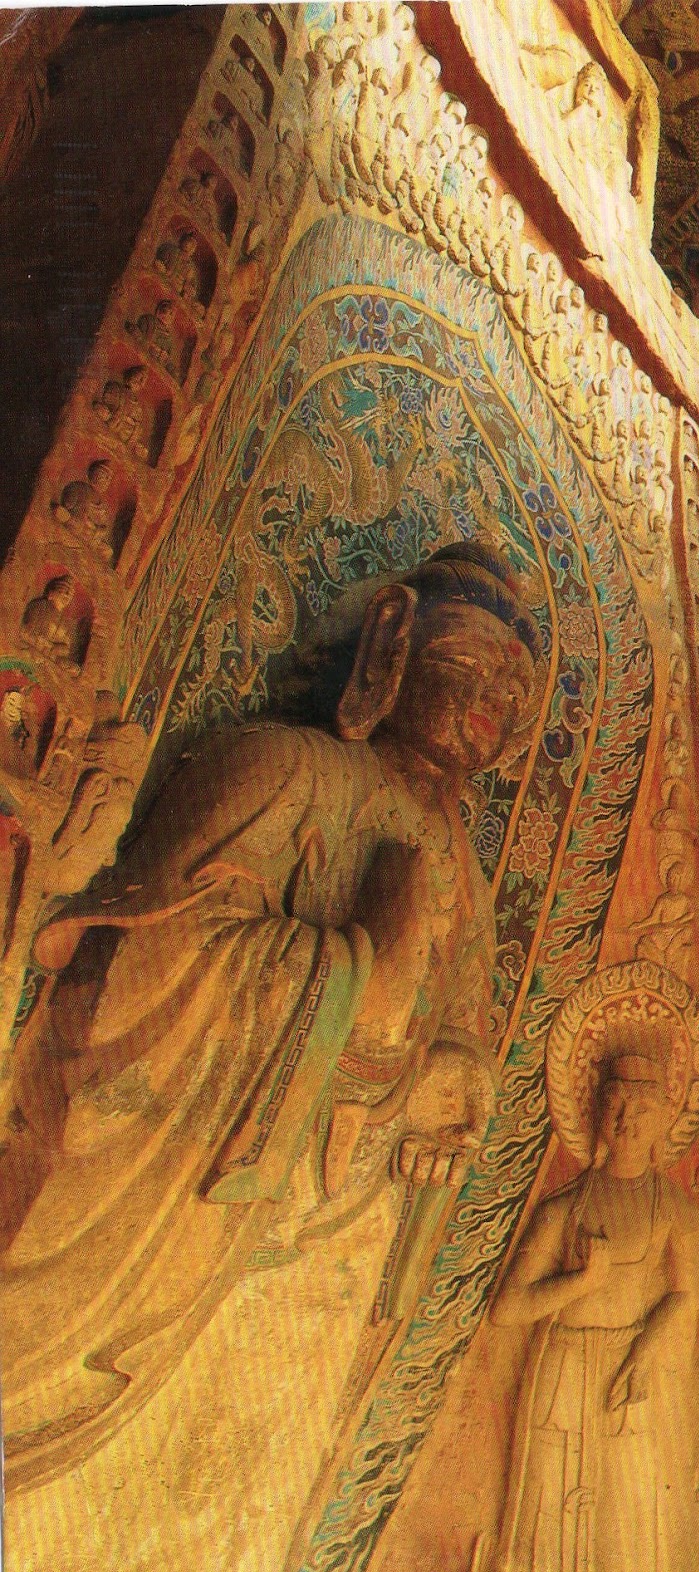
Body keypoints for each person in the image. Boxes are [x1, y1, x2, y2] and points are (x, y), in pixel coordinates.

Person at [0, 541, 542, 1487]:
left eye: (513, 690)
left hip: (332, 1226)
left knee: (254, 1486)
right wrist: (351, 986)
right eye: (466, 662)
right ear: (392, 649)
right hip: (189, 1202)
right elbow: (139, 963)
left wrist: (454, 1081)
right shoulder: (281, 767)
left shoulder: (464, 871)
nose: (489, 700)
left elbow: (460, 1027)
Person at [485, 1053, 699, 1572]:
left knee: (629, 1519)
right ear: (596, 1112)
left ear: (665, 1119)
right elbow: (507, 1308)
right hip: (563, 1369)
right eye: (617, 1105)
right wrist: (581, 1282)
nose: (628, 1120)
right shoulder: (562, 1209)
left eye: (643, 1110)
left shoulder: (676, 1210)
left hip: (630, 1371)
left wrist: (642, 1354)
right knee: (550, 1516)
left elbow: (684, 1295)